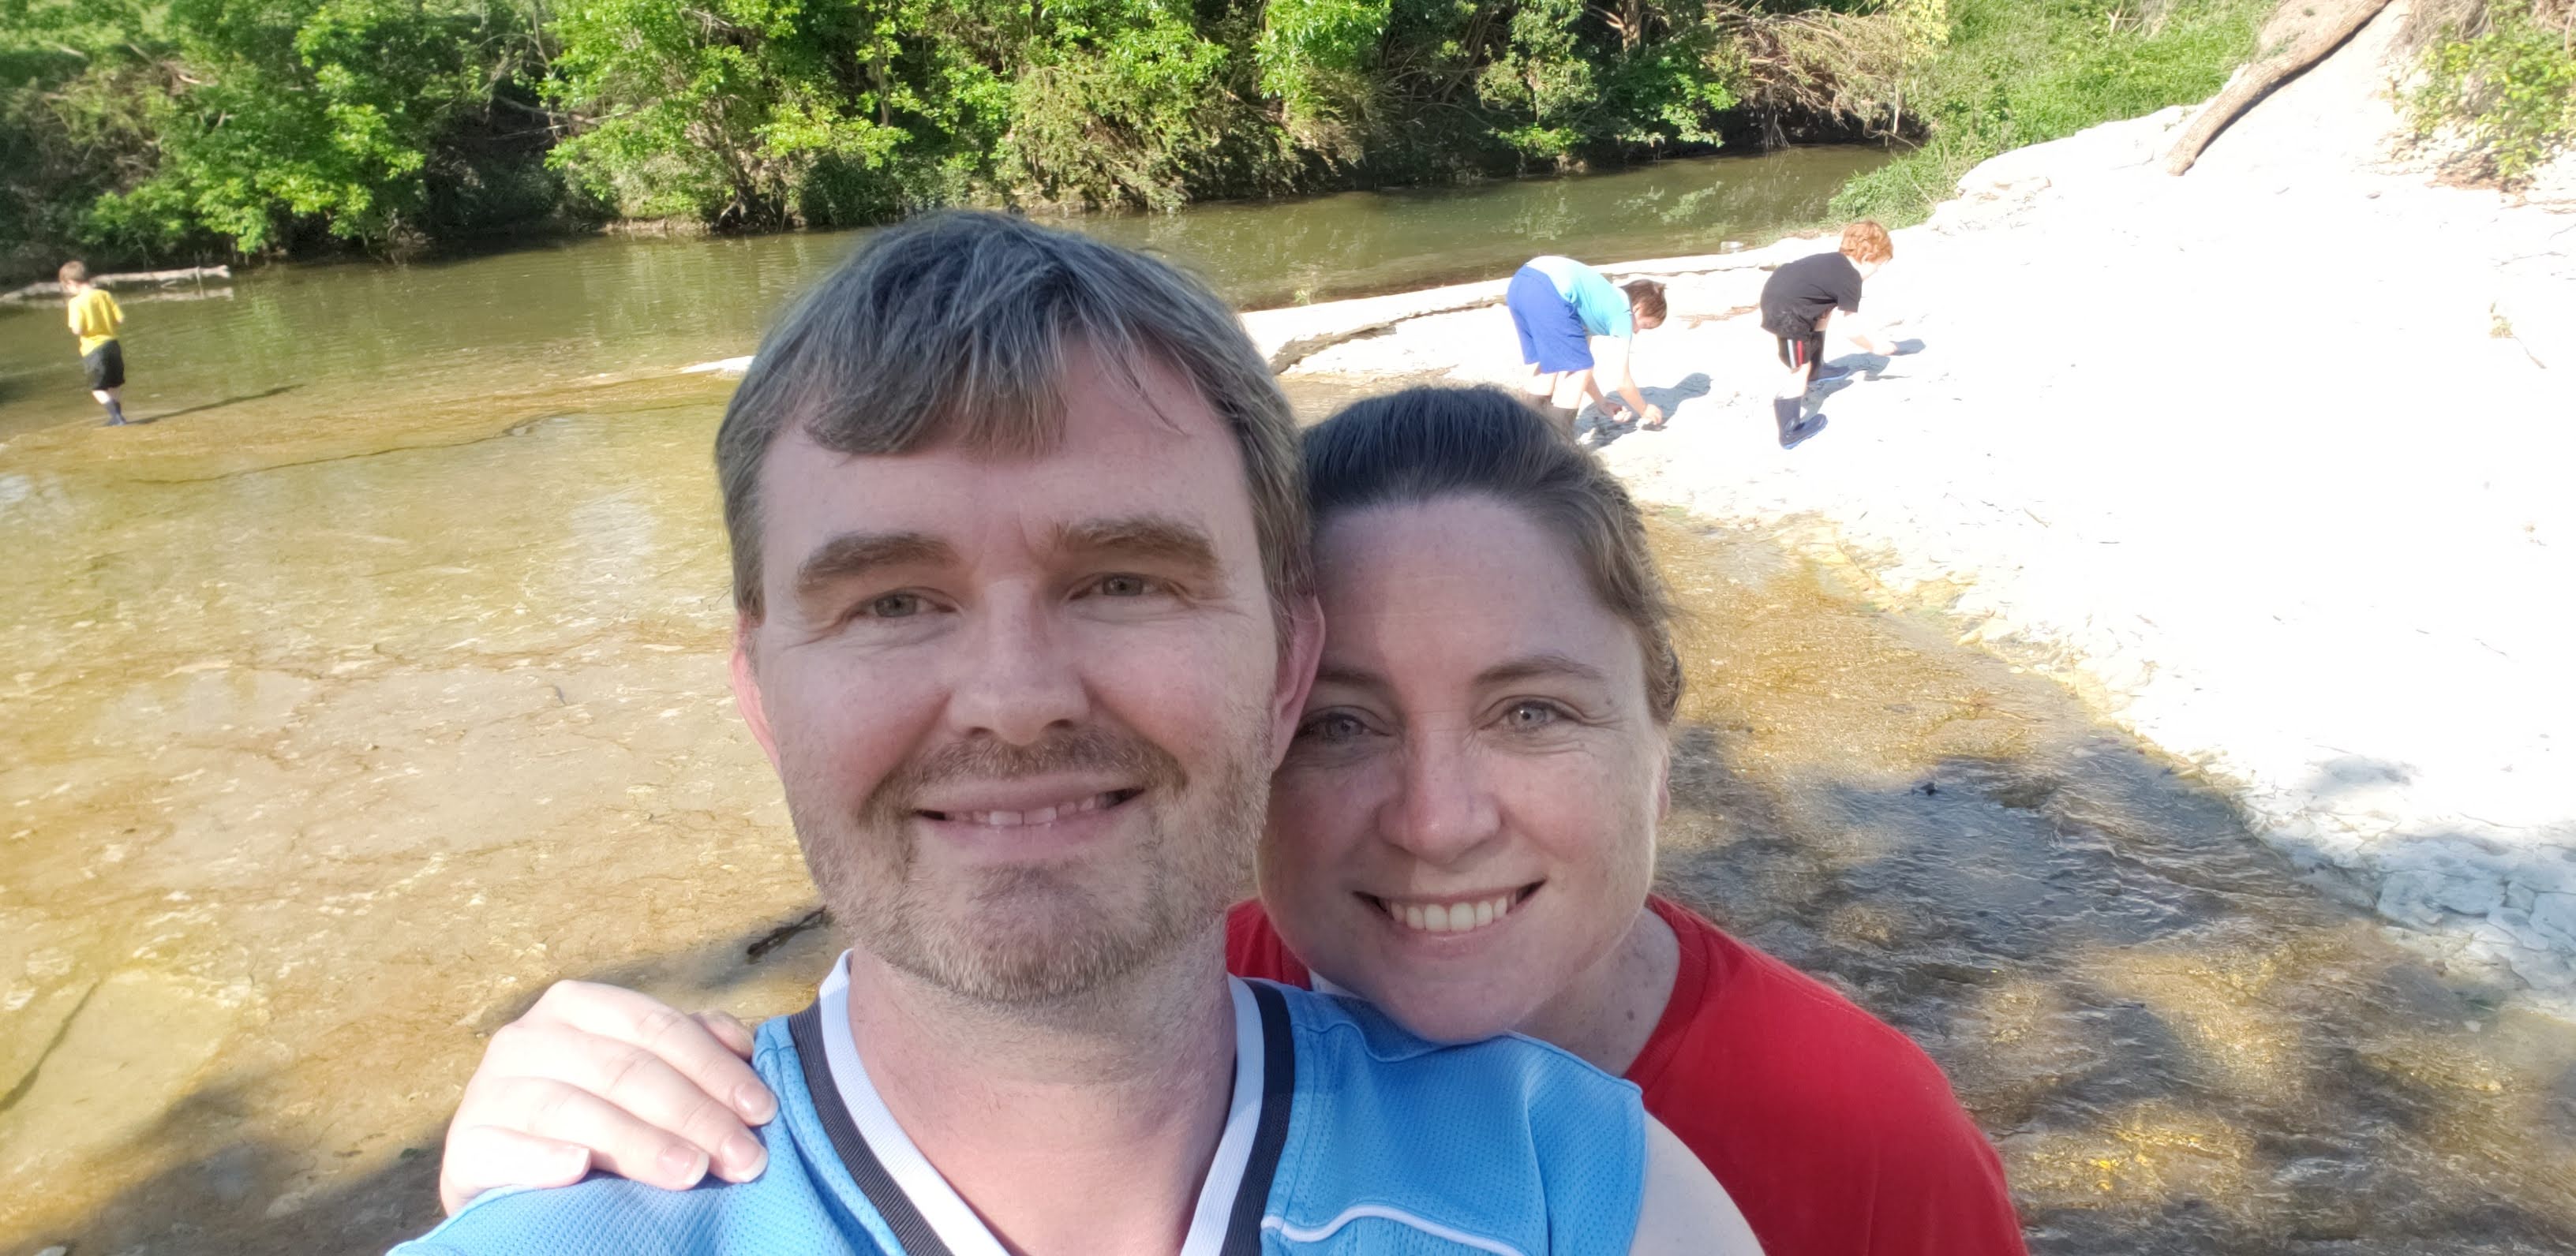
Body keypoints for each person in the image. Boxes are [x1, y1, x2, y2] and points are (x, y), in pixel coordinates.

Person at [395, 212, 1754, 1256]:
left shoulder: (1572, 1180)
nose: (1014, 697)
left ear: (1286, 666)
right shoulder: (570, 1224)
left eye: (1121, 582)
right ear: (759, 687)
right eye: (892, 601)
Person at [436, 385, 2030, 1256]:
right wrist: (581, 1150)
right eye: (1342, 723)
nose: (1437, 817)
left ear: (1660, 744)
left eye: (1531, 711)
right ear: (1256, 720)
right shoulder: (1167, 997)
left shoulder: (1857, 1133)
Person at [1757, 222, 1901, 450]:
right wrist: (1875, 347)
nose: (1877, 272)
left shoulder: (1835, 262)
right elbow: (1851, 330)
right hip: (1787, 313)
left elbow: (1818, 296)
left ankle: (1817, 371)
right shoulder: (1852, 279)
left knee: (1824, 312)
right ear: (1867, 258)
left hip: (1781, 294)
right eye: (1879, 266)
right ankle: (1789, 431)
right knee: (1799, 369)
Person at [1505, 256, 1667, 436]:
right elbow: (1621, 381)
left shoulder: (1596, 303)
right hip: (1549, 289)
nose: (1637, 332)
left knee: (1549, 366)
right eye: (1645, 325)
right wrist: (1644, 409)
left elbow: (1582, 363)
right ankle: (1557, 440)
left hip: (1521, 283)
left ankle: (1524, 433)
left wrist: (1602, 403)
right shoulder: (1623, 311)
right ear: (1638, 308)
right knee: (1579, 369)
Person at [59, 261, 130, 426]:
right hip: (113, 344)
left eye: (66, 286)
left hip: (94, 349)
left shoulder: (76, 303)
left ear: (71, 282)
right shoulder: (104, 295)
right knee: (114, 385)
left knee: (97, 389)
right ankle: (117, 416)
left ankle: (117, 418)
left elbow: (77, 330)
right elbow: (120, 319)